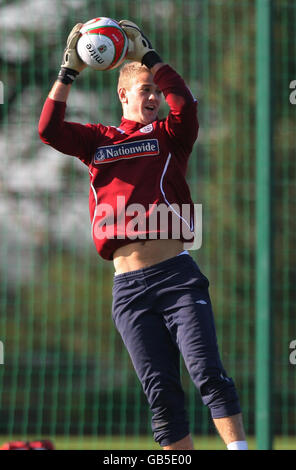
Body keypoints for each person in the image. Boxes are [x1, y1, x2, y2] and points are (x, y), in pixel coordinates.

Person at [38, 20, 248, 450]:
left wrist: (147, 56)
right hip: (128, 289)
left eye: (156, 90)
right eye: (144, 90)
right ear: (123, 95)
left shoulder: (170, 135)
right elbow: (48, 130)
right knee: (161, 395)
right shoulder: (99, 141)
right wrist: (68, 70)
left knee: (207, 371)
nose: (153, 97)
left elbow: (185, 104)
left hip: (176, 277)